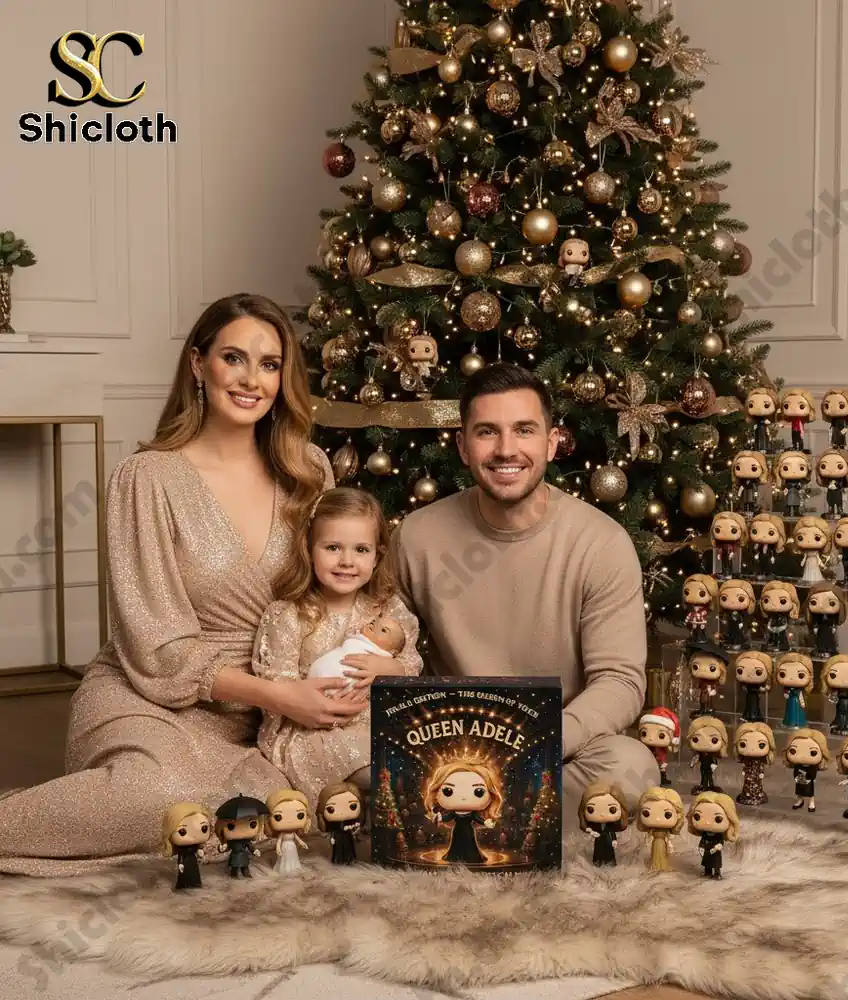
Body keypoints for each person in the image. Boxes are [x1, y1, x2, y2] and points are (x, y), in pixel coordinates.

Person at [0, 293, 365, 876]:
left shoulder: (309, 470)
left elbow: (337, 592)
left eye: (270, 365)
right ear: (198, 364)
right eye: (233, 358)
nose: (251, 380)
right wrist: (277, 694)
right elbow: (155, 647)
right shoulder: (147, 477)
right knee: (165, 799)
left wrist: (370, 659)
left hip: (270, 711)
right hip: (154, 697)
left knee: (289, 806)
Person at [386, 363, 660, 825]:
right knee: (360, 763)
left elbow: (619, 681)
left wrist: (548, 737)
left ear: (551, 443)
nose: (506, 449)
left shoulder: (602, 543)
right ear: (463, 446)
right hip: (448, 747)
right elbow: (385, 648)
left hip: (556, 746)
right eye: (487, 432)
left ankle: (461, 818)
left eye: (524, 430)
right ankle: (500, 817)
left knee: (630, 767)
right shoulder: (416, 536)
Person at [251, 486, 423, 804]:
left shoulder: (387, 610)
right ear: (309, 549)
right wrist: (311, 703)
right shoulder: (289, 614)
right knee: (351, 755)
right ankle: (367, 791)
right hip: (313, 727)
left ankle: (390, 796)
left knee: (421, 746)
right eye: (332, 547)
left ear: (377, 557)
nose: (346, 561)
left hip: (376, 719)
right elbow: (275, 681)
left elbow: (412, 664)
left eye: (361, 550)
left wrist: (393, 668)